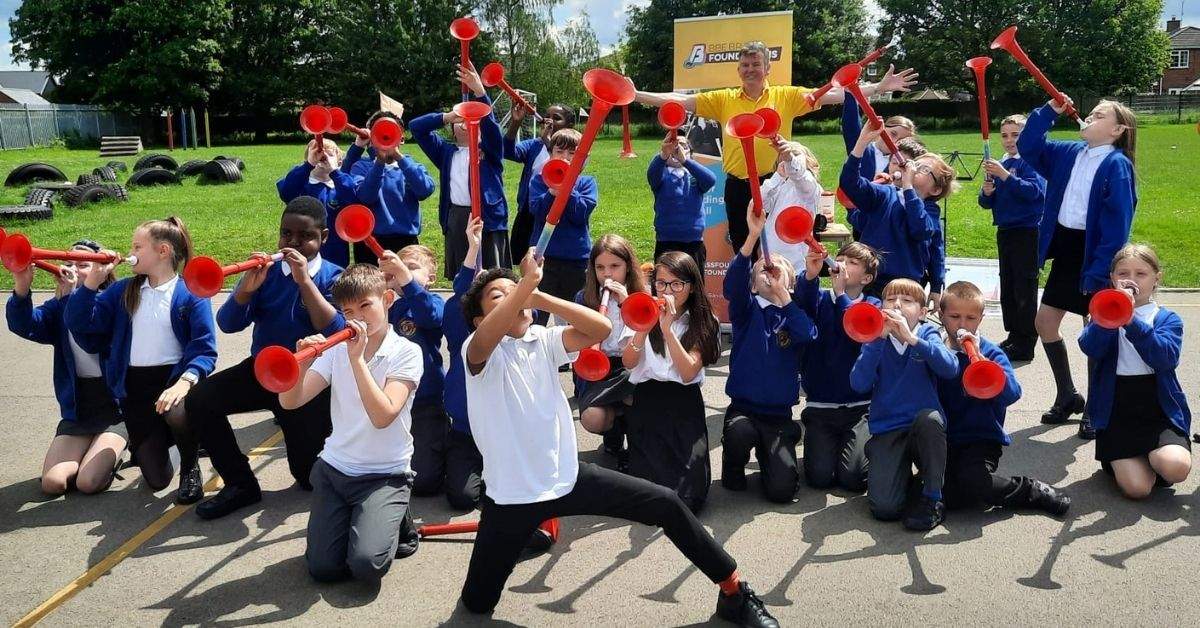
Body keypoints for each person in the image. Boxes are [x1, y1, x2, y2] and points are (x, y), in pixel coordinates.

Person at [458, 251, 779, 627]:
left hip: (566, 478)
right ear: (481, 318)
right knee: (476, 605)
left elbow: (599, 329)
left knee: (667, 503)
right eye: (499, 296)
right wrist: (525, 285)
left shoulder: (543, 339)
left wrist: (539, 296)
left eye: (514, 290)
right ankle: (526, 535)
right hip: (511, 498)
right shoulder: (476, 351)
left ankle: (734, 592)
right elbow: (486, 338)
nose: (513, 296)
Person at [635, 41, 918, 253]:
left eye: (756, 64)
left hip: (777, 183)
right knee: (744, 249)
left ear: (767, 68)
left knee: (779, 248)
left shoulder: (786, 95)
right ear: (738, 70)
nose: (750, 70)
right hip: (737, 187)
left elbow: (837, 93)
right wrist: (636, 95)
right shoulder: (723, 99)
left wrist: (878, 87)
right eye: (745, 65)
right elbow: (678, 101)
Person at [188, 197, 343, 520]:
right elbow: (228, 324)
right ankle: (240, 483)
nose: (293, 243)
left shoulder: (334, 276)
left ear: (324, 238)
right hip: (263, 370)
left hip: (307, 382)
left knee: (306, 477)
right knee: (201, 399)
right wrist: (246, 287)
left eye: (305, 236)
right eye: (286, 234)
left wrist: (304, 282)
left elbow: (333, 328)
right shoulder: (267, 274)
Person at [279, 264, 424, 582]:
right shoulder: (336, 350)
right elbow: (290, 401)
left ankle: (398, 520)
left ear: (387, 299)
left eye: (365, 305)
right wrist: (302, 363)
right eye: (347, 310)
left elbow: (383, 415)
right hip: (335, 469)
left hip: (385, 473)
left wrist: (357, 360)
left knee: (366, 565)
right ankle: (363, 519)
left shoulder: (407, 352)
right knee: (323, 569)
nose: (357, 317)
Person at [65, 217, 216, 504]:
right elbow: (79, 322)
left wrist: (184, 382)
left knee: (177, 411)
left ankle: (190, 465)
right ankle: (186, 442)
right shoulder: (124, 290)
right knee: (156, 479)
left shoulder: (190, 293)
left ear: (162, 251)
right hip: (136, 390)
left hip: (174, 380)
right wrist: (89, 286)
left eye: (137, 246)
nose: (130, 250)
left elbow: (205, 349)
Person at [1018, 97, 1138, 438]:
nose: (1089, 117)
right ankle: (1068, 394)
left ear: (1117, 130)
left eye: (1099, 115)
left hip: (1097, 255)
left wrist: (1102, 271)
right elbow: (1028, 146)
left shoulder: (1117, 165)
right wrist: (1047, 112)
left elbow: (1117, 226)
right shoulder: (1069, 153)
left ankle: (1096, 408)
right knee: (1044, 323)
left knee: (1094, 334)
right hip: (1068, 250)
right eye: (1090, 112)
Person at [936, 281, 1070, 516]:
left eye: (970, 318)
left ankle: (1029, 490)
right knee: (949, 496)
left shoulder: (993, 352)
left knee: (974, 482)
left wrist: (981, 360)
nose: (962, 325)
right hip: (945, 437)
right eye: (954, 316)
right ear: (941, 315)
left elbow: (1012, 394)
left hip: (981, 438)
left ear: (981, 318)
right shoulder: (936, 350)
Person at [7, 240, 126, 495]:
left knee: (87, 482)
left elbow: (92, 332)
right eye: (69, 263)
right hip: (80, 409)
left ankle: (120, 448)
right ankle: (90, 450)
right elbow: (23, 325)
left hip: (116, 408)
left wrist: (75, 297)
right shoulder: (59, 305)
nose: (73, 269)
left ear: (102, 271)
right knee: (53, 483)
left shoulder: (113, 302)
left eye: (84, 265)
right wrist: (22, 286)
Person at [1079, 244, 1191, 499]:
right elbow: (1090, 347)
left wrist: (1131, 321)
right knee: (1137, 490)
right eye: (1123, 274)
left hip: (1157, 408)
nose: (1131, 280)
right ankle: (1126, 461)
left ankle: (1155, 455)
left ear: (1156, 279)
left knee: (1176, 468)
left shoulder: (1166, 318)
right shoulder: (1102, 312)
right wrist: (1110, 317)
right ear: (1113, 279)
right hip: (1117, 411)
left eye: (1141, 274)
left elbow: (1165, 358)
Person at [721, 209, 816, 502]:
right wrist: (751, 237)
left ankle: (774, 450)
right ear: (752, 284)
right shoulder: (746, 311)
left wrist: (785, 298)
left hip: (777, 415)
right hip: (743, 409)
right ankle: (733, 463)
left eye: (780, 268)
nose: (771, 267)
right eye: (763, 268)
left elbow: (808, 334)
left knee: (782, 491)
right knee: (740, 434)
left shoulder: (792, 313)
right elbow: (732, 286)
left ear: (791, 284)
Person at [850, 278, 958, 530]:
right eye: (890, 299)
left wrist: (912, 339)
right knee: (885, 509)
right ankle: (893, 469)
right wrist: (876, 341)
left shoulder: (927, 334)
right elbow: (858, 383)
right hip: (889, 427)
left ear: (922, 313)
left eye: (907, 301)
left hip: (922, 427)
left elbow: (950, 369)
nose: (897, 305)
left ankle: (933, 498)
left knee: (930, 420)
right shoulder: (875, 339)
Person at [622, 252, 721, 513]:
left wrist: (667, 329)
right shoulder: (642, 311)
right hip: (648, 398)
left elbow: (688, 373)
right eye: (662, 283)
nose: (668, 290)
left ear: (691, 287)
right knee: (648, 495)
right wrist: (643, 327)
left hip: (684, 401)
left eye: (677, 284)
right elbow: (629, 363)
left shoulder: (703, 321)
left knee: (690, 497)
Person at [795, 242, 881, 492]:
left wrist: (842, 295)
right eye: (840, 258)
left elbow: (857, 329)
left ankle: (870, 443)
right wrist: (810, 275)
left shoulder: (873, 306)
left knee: (853, 479)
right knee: (819, 478)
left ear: (867, 278)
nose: (842, 263)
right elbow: (802, 304)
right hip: (821, 406)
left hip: (859, 407)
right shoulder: (821, 298)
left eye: (852, 262)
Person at [410, 65, 510, 278]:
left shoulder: (490, 150)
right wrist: (446, 117)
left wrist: (480, 93)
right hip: (457, 216)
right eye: (460, 120)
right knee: (463, 275)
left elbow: (492, 129)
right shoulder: (446, 152)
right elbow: (416, 127)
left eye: (471, 119)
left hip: (488, 218)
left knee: (492, 276)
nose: (465, 123)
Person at [842, 124, 953, 299]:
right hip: (871, 279)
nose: (913, 169)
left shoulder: (930, 210)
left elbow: (922, 231)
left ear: (936, 190)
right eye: (914, 164)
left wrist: (936, 285)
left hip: (906, 285)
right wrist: (861, 143)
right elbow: (850, 184)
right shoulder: (886, 193)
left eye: (923, 169)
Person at [378, 244, 448, 498]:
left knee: (425, 483)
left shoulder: (436, 302)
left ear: (431, 278)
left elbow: (428, 315)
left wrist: (404, 278)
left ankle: (444, 445)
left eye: (412, 268)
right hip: (394, 399)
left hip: (427, 399)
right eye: (400, 267)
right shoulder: (392, 307)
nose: (403, 271)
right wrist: (381, 286)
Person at [574, 234, 648, 469]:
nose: (607, 274)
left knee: (631, 387)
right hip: (597, 366)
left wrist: (628, 304)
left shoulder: (642, 296)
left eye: (615, 266)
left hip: (632, 363)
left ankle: (636, 444)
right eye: (600, 267)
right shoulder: (584, 298)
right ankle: (613, 432)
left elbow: (644, 344)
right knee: (593, 418)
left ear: (628, 268)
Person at [978, 114, 1046, 362]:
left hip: (1027, 230)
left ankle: (1026, 341)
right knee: (1007, 284)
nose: (1009, 140)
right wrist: (987, 193)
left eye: (1015, 135)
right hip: (1005, 229)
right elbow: (986, 202)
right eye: (1005, 135)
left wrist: (1006, 176)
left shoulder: (1031, 161)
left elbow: (1035, 193)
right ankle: (1014, 334)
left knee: (1023, 286)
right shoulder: (1003, 161)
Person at [340, 110, 436, 266]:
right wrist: (379, 163)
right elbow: (366, 197)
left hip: (406, 241)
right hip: (369, 242)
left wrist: (399, 158)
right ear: (372, 138)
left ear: (402, 138)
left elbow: (424, 190)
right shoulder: (361, 166)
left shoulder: (412, 166)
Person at [527, 128, 597, 325]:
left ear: (584, 159)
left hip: (575, 259)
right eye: (559, 151)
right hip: (544, 257)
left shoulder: (586, 183)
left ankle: (570, 354)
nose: (565, 157)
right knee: (537, 315)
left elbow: (580, 215)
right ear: (550, 154)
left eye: (573, 154)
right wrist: (551, 192)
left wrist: (568, 189)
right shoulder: (539, 180)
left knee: (571, 315)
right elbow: (537, 211)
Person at [441, 216, 486, 509]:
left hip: (505, 431)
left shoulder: (514, 331)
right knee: (461, 497)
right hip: (466, 432)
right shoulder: (460, 327)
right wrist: (473, 249)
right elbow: (461, 294)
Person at [504, 103, 576, 257]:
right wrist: (516, 122)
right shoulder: (535, 145)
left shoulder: (573, 150)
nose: (549, 121)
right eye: (547, 116)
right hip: (530, 208)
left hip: (556, 208)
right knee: (522, 254)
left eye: (556, 118)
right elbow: (508, 152)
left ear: (569, 125)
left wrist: (550, 143)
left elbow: (565, 167)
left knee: (546, 254)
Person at [277, 138, 361, 268]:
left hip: (335, 252)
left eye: (330, 154)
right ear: (308, 159)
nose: (323, 156)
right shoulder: (301, 182)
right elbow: (286, 193)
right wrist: (308, 165)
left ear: (339, 162)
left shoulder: (341, 182)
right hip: (300, 247)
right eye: (317, 153)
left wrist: (335, 172)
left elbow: (352, 200)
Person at [648, 134, 716, 272]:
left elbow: (710, 180)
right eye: (673, 145)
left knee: (694, 285)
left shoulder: (694, 177)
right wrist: (663, 155)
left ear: (690, 154)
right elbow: (652, 174)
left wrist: (686, 161)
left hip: (693, 243)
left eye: (683, 146)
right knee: (665, 281)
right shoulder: (662, 176)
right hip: (666, 242)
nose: (677, 148)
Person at [761, 139, 822, 270]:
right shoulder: (779, 184)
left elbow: (800, 176)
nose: (788, 163)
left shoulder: (810, 187)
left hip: (795, 263)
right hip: (770, 257)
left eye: (795, 158)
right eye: (783, 159)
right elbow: (760, 203)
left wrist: (790, 159)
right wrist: (777, 177)